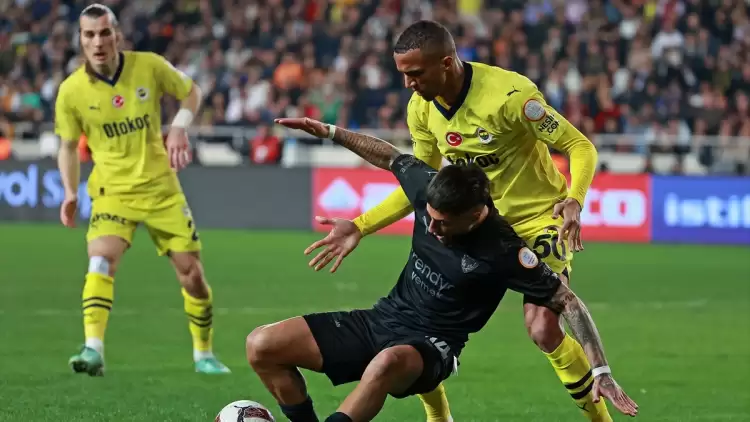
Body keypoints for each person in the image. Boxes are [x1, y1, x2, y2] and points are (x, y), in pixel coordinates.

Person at [302, 20, 609, 422]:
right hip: (470, 225)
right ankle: (438, 415)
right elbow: (424, 186)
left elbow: (579, 146)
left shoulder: (511, 97)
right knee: (424, 314)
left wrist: (575, 199)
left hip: (537, 220)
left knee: (543, 328)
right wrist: (360, 225)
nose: (408, 84)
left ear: (446, 63)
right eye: (403, 74)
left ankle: (601, 419)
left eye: (415, 73)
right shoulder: (421, 109)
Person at [245, 117, 638, 422]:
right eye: (428, 217)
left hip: (433, 347)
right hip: (383, 319)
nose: (430, 228)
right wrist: (330, 132)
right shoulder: (430, 188)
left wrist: (601, 369)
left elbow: (567, 301)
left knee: (385, 364)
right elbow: (389, 156)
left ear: (476, 214)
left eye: (442, 223)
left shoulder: (504, 250)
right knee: (261, 344)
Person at [55, 4, 230, 376]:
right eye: (89, 35)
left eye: (104, 33)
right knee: (100, 260)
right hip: (112, 192)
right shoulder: (71, 91)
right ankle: (92, 349)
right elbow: (67, 147)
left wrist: (179, 126)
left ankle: (204, 354)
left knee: (192, 276)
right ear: (81, 40)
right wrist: (70, 191)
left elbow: (192, 92)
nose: (98, 42)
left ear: (117, 34)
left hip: (161, 190)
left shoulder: (148, 66)